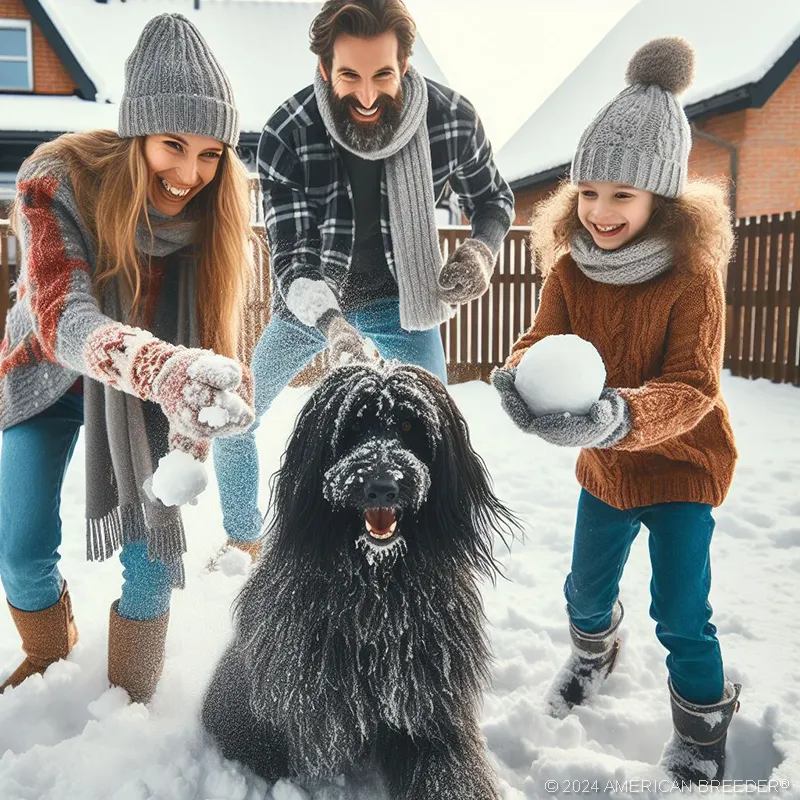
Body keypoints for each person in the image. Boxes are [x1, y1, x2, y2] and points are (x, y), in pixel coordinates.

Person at [491, 38, 741, 783]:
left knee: (680, 612)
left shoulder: (693, 278)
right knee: (585, 591)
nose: (600, 212)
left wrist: (617, 417)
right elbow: (541, 339)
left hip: (682, 468)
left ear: (661, 198)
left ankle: (702, 729)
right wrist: (516, 374)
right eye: (589, 192)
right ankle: (594, 653)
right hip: (605, 469)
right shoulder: (572, 268)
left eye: (621, 196)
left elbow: (694, 388)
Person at [0, 13, 256, 704]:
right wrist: (160, 369)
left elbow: (217, 336)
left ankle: (131, 699)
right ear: (136, 129)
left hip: (150, 393)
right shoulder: (56, 179)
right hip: (48, 375)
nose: (190, 173)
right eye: (172, 145)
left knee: (152, 551)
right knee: (19, 545)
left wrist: (208, 403)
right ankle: (47, 654)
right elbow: (62, 316)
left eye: (210, 154)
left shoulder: (216, 213)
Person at [214, 0, 514, 548]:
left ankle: (425, 551)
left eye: (384, 74)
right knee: (240, 415)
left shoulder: (452, 120)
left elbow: (493, 199)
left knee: (437, 434)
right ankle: (242, 542)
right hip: (312, 302)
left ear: (406, 64)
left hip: (406, 303)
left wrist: (481, 252)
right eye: (349, 75)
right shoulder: (289, 131)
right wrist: (331, 323)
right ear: (324, 69)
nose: (368, 95)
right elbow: (292, 256)